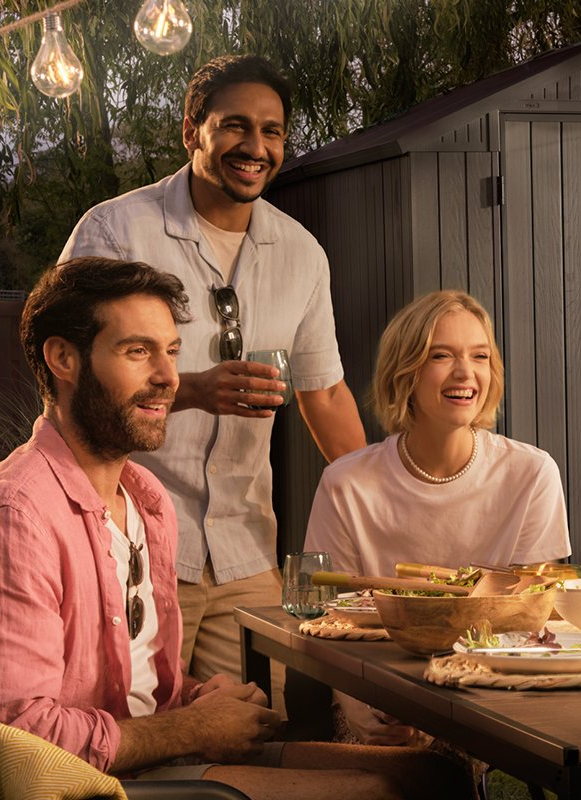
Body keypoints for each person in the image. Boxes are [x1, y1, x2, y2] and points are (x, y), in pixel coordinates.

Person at [0, 258, 468, 799]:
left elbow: (143, 683)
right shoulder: (10, 522)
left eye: (171, 351)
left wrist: (201, 696)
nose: (169, 378)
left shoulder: (145, 501)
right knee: (381, 794)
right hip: (106, 785)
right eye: (138, 351)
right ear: (63, 360)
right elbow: (17, 744)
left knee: (435, 775)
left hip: (158, 756)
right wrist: (194, 730)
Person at [59, 55, 366, 684]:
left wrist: (380, 498)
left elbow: (326, 392)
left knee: (261, 729)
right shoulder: (116, 231)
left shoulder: (302, 254)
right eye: (235, 126)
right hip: (130, 543)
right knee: (134, 727)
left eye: (273, 131)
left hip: (245, 550)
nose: (255, 147)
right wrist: (193, 389)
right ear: (192, 129)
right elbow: (71, 377)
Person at [302, 289, 570, 744]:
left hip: (485, 682)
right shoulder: (345, 482)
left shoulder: (531, 472)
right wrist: (358, 702)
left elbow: (535, 614)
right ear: (405, 372)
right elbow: (327, 621)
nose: (466, 372)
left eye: (480, 356)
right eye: (441, 355)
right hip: (373, 684)